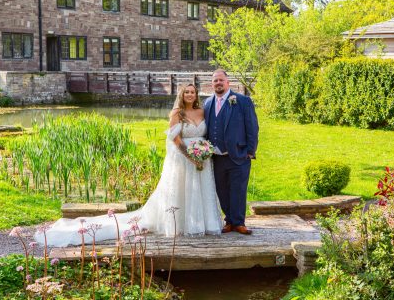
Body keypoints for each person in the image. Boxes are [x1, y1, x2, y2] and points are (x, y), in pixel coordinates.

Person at [35, 84, 222, 247]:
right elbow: (175, 139)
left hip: (202, 157)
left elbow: (206, 133)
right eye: (187, 92)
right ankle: (182, 225)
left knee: (200, 190)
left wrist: (204, 151)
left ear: (196, 95)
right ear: (181, 95)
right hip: (184, 159)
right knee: (183, 191)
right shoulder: (176, 114)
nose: (190, 95)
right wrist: (190, 157)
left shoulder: (202, 111)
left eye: (193, 92)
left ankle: (202, 224)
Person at [203, 69, 259, 235]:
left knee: (239, 189)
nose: (218, 83)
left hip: (239, 154)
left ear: (228, 83)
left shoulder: (242, 101)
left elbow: (252, 127)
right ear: (212, 84)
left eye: (221, 80)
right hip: (217, 157)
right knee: (222, 190)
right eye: (215, 81)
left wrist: (250, 150)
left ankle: (239, 222)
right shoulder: (207, 103)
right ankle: (229, 221)